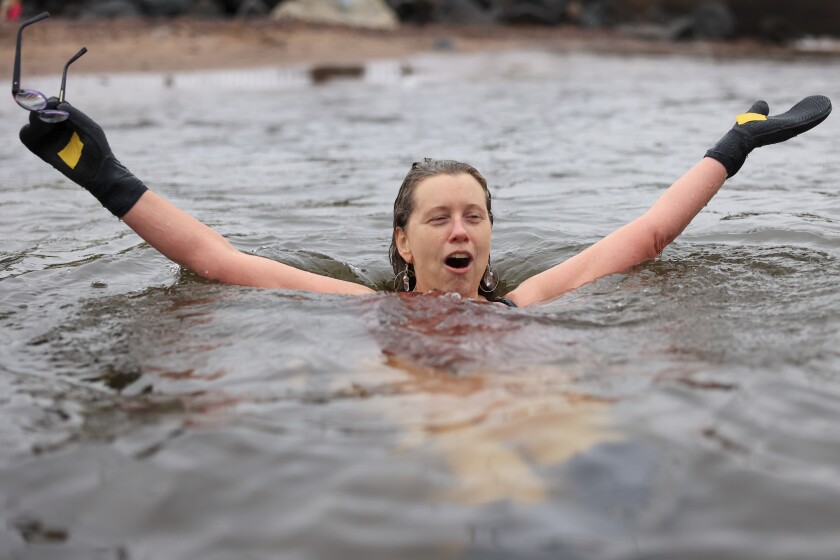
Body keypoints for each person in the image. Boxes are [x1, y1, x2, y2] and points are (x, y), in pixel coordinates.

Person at [19, 95, 831, 308]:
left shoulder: (524, 302)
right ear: (402, 243)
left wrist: (736, 145)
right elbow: (215, 261)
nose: (460, 228)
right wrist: (104, 175)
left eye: (473, 216)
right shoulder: (364, 306)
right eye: (439, 217)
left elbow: (648, 234)